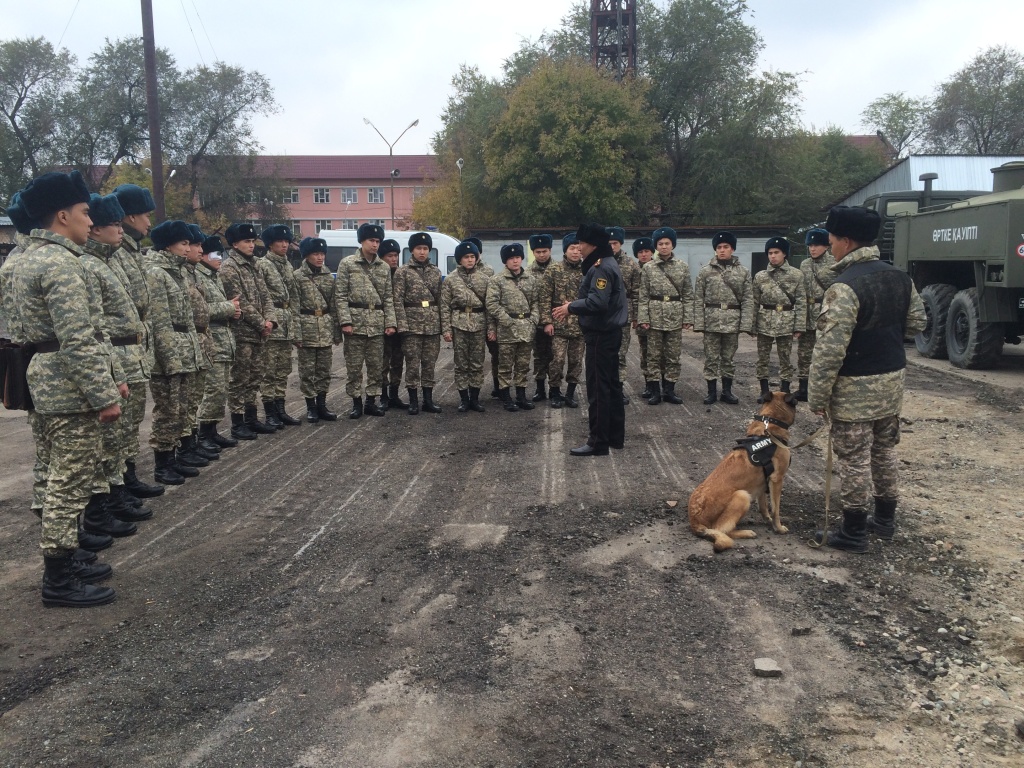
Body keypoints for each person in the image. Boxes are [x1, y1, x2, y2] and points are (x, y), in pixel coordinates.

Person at [3, 171, 122, 606]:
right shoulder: (59, 262)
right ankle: (59, 578)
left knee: (51, 472)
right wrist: (104, 394)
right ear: (61, 215)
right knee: (70, 482)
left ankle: (67, 561)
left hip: (40, 377)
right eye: (86, 213)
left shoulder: (22, 258)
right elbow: (78, 337)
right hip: (68, 387)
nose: (91, 221)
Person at [810, 206, 926, 552]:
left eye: (831, 240)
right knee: (884, 450)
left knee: (854, 458)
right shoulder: (900, 277)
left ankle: (854, 531)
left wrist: (816, 397)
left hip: (855, 389)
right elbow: (917, 323)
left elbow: (830, 351)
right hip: (891, 383)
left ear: (846, 241)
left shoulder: (844, 287)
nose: (829, 246)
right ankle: (886, 520)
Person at [79, 193, 153, 524]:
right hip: (114, 355)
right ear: (94, 229)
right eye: (113, 224)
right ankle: (104, 503)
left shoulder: (111, 259)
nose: (119, 229)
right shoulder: (91, 265)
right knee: (109, 438)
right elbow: (97, 323)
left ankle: (122, 486)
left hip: (129, 354)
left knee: (125, 431)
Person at [553, 223, 627, 456]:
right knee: (612, 386)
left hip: (601, 335)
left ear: (592, 245)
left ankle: (598, 442)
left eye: (581, 244)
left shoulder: (600, 267)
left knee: (599, 389)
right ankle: (614, 437)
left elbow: (597, 302)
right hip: (609, 333)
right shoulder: (606, 262)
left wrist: (570, 307)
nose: (579, 248)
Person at [111, 184, 163, 499]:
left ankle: (127, 478)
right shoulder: (116, 253)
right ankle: (119, 486)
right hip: (121, 349)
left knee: (131, 423)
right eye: (145, 215)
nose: (148, 222)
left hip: (135, 348)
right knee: (119, 427)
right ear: (130, 216)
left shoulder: (130, 252)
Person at [143, 220, 205, 484]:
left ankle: (176, 456)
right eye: (183, 243)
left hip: (183, 348)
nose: (187, 248)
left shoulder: (177, 271)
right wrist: (170, 360)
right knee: (167, 409)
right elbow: (160, 320)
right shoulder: (156, 273)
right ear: (168, 245)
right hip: (169, 354)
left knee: (181, 407)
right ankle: (163, 462)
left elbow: (187, 318)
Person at [333, 223, 397, 418]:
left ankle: (371, 401)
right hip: (355, 323)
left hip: (376, 324)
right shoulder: (348, 264)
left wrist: (390, 323)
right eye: (371, 240)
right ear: (362, 241)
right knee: (354, 367)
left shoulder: (384, 267)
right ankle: (356, 403)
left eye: (378, 241)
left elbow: (388, 297)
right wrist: (345, 321)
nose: (375, 245)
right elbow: (341, 295)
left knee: (376, 366)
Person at [220, 223, 277, 438]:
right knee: (240, 379)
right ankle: (237, 422)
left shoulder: (255, 265)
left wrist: (270, 319)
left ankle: (251, 418)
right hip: (242, 332)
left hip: (259, 332)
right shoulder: (230, 267)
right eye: (247, 242)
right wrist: (261, 323)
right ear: (235, 244)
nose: (252, 245)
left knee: (255, 376)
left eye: (253, 241)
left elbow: (266, 295)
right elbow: (239, 300)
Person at [692, 231, 753, 405]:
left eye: (726, 247)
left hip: (732, 321)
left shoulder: (743, 272)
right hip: (711, 321)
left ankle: (727, 391)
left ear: (732, 249)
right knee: (711, 357)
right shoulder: (705, 271)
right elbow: (698, 299)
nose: (722, 250)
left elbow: (748, 299)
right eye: (719, 247)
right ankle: (711, 392)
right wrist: (699, 323)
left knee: (728, 358)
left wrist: (746, 324)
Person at [194, 235, 242, 448]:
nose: (219, 258)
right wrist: (229, 307)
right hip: (211, 341)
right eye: (215, 254)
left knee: (221, 389)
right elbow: (201, 310)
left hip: (223, 341)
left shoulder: (214, 277)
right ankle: (203, 434)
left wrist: (230, 308)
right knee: (211, 389)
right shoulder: (198, 276)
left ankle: (212, 431)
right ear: (204, 254)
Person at [637, 226, 693, 406]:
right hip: (654, 317)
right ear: (656, 246)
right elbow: (643, 295)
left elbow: (688, 294)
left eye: (667, 243)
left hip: (675, 316)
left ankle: (669, 390)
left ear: (673, 245)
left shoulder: (682, 266)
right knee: (653, 355)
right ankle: (654, 391)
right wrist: (643, 318)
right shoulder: (648, 268)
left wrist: (687, 318)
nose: (663, 247)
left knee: (673, 356)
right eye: (660, 244)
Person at [178, 224, 218, 466]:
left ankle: (192, 445)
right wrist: (228, 308)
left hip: (199, 340)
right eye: (195, 245)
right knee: (182, 404)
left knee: (194, 398)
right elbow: (199, 311)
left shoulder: (190, 273)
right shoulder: (169, 273)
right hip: (185, 343)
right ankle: (180, 452)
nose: (200, 250)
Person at [751, 236, 806, 402]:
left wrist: (799, 326)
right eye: (770, 253)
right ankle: (764, 390)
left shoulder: (796, 275)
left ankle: (785, 391)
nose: (772, 256)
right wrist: (752, 325)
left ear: (785, 254)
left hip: (786, 320)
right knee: (762, 358)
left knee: (785, 358)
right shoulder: (761, 276)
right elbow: (754, 301)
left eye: (776, 252)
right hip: (765, 320)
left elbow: (802, 302)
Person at [394, 232, 444, 415]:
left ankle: (428, 401)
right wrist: (402, 326)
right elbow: (397, 300)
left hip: (431, 325)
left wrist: (442, 326)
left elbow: (441, 300)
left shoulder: (435, 272)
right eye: (418, 248)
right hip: (411, 326)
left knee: (430, 364)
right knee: (413, 364)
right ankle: (413, 401)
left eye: (425, 248)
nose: (422, 252)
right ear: (412, 250)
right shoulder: (403, 272)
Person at [485, 243, 539, 411]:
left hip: (526, 328)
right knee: (505, 365)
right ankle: (506, 396)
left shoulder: (530, 279)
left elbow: (536, 302)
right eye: (511, 258)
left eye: (517, 258)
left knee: (523, 364)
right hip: (507, 329)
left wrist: (534, 320)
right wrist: (506, 320)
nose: (515, 261)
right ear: (505, 261)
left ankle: (521, 396)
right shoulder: (497, 280)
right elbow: (492, 303)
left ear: (522, 258)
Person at [258, 225, 302, 428]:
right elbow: (261, 297)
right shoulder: (263, 265)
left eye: (286, 241)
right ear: (270, 244)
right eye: (280, 242)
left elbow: (293, 298)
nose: (284, 244)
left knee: (283, 370)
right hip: (272, 323)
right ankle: (270, 413)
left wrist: (294, 327)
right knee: (269, 371)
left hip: (286, 324)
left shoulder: (287, 265)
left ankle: (280, 409)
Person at [292, 237, 339, 422]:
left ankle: (322, 405)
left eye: (322, 254)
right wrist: (297, 333)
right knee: (307, 371)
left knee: (324, 370)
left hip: (325, 328)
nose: (320, 258)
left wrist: (336, 331)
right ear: (306, 255)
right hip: (307, 328)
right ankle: (310, 407)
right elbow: (294, 307)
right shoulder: (297, 276)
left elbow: (334, 306)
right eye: (315, 254)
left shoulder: (328, 276)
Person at [440, 241, 489, 413]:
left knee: (476, 362)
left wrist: (491, 328)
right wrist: (446, 329)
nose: (470, 260)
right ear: (459, 259)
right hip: (459, 324)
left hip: (479, 322)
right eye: (466, 257)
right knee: (461, 363)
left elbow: (489, 305)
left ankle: (475, 399)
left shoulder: (484, 278)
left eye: (472, 257)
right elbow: (445, 306)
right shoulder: (451, 279)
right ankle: (463, 399)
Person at [538, 233, 585, 408]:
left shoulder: (588, 269)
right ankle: (555, 392)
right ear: (565, 251)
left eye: (578, 248)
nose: (575, 251)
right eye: (571, 248)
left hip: (580, 325)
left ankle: (570, 393)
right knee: (556, 360)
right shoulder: (554, 270)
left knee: (576, 361)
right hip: (558, 324)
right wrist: (547, 322)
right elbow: (544, 298)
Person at [796, 228, 833, 401]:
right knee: (804, 353)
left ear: (826, 245)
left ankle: (824, 390)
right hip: (807, 313)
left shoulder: (834, 263)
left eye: (816, 245)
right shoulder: (804, 264)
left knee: (825, 354)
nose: (812, 248)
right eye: (810, 245)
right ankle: (804, 388)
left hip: (826, 313)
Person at [607, 226, 641, 404]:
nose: (612, 246)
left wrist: (635, 317)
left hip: (623, 315)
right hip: (603, 315)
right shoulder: (599, 262)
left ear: (620, 243)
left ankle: (618, 389)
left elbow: (636, 293)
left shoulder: (630, 264)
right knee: (603, 354)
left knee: (620, 354)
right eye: (609, 243)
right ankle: (604, 389)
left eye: (615, 243)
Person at [378, 239, 406, 410]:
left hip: (400, 326)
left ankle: (394, 395)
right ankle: (383, 395)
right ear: (382, 257)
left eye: (396, 255)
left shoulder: (402, 275)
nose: (394, 259)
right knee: (382, 362)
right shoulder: (379, 275)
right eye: (390, 256)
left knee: (397, 361)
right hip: (382, 325)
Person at [527, 234, 554, 402]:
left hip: (555, 321)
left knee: (554, 356)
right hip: (536, 322)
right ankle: (539, 388)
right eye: (538, 252)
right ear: (533, 253)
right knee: (538, 356)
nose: (542, 255)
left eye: (545, 251)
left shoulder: (558, 269)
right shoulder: (528, 272)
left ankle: (554, 388)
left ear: (550, 250)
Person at [632, 237, 655, 396]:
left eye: (647, 251)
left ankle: (664, 384)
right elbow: (633, 296)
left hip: (659, 315)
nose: (644, 254)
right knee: (645, 352)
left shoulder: (658, 268)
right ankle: (649, 384)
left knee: (661, 353)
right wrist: (635, 317)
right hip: (641, 317)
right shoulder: (634, 270)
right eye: (640, 252)